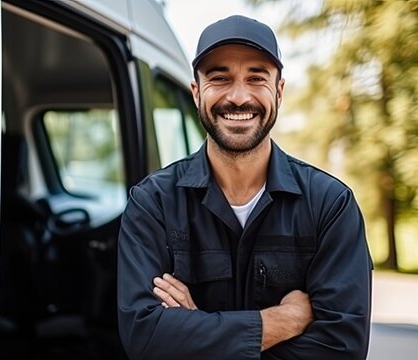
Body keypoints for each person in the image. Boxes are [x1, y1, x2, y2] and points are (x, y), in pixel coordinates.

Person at [116, 14, 372, 359]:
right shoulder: (153, 203)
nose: (238, 97)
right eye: (220, 78)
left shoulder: (330, 206)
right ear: (196, 92)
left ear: (278, 91)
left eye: (256, 78)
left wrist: (198, 331)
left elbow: (341, 350)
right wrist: (284, 320)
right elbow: (145, 339)